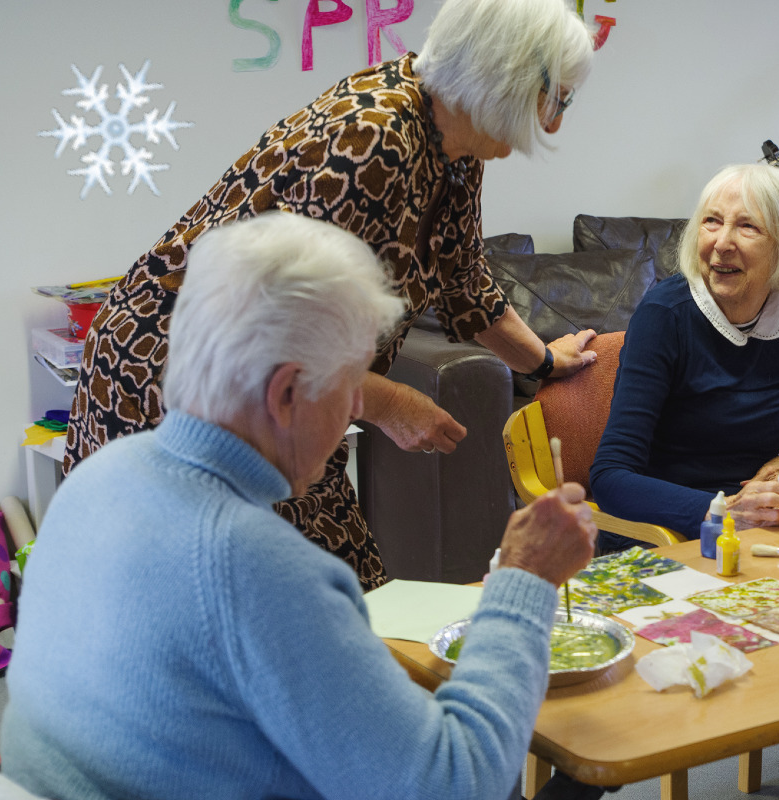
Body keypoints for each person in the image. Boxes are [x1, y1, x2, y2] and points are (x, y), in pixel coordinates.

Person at [1, 214, 598, 800]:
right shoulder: (256, 567)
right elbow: (455, 782)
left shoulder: (96, 477)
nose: (350, 414)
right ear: (286, 394)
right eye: (350, 386)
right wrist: (523, 581)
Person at [64, 0, 600, 591]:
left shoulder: (457, 133)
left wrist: (545, 362)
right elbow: (274, 330)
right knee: (231, 598)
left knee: (335, 584)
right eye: (560, 101)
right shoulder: (373, 136)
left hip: (281, 384)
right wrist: (392, 403)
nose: (552, 125)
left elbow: (462, 276)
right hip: (175, 373)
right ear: (509, 75)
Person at [588, 162, 779, 545]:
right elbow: (610, 476)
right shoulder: (664, 316)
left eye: (747, 226)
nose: (721, 243)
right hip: (665, 532)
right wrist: (724, 511)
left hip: (760, 528)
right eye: (712, 221)